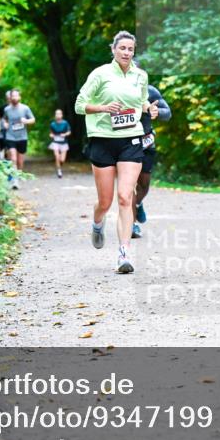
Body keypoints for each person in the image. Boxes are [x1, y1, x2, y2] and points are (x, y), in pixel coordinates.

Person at [74, 30, 156, 273]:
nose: (126, 53)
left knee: (125, 196)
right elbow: (79, 105)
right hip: (102, 140)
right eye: (122, 48)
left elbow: (142, 101)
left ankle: (124, 253)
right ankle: (98, 222)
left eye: (130, 49)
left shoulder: (140, 75)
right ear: (113, 50)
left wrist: (148, 109)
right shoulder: (100, 74)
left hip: (131, 139)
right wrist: (103, 108)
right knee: (105, 201)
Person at [132, 82, 171, 238]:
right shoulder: (115, 89)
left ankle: (137, 203)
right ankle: (131, 224)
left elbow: (167, 112)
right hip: (125, 143)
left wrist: (157, 111)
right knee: (127, 186)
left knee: (144, 186)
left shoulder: (149, 91)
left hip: (146, 143)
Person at [2, 89, 35, 189]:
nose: (15, 98)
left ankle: (18, 176)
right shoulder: (7, 109)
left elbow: (33, 119)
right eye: (13, 96)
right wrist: (5, 124)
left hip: (22, 137)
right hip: (10, 136)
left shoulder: (25, 108)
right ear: (10, 97)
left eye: (16, 96)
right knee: (13, 158)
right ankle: (15, 180)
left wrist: (26, 121)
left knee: (20, 161)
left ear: (19, 97)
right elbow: (4, 119)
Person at [48, 109, 72, 178]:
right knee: (57, 156)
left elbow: (69, 132)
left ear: (62, 115)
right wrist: (51, 135)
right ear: (55, 115)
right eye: (57, 114)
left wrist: (65, 134)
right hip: (55, 142)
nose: (58, 115)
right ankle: (59, 171)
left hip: (64, 143)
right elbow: (51, 133)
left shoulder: (65, 123)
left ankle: (59, 167)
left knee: (62, 160)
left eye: (59, 114)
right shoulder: (52, 124)